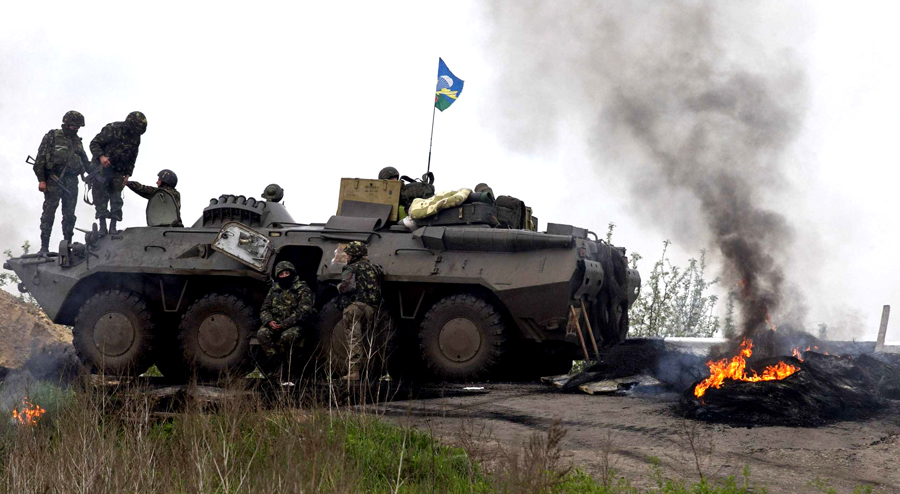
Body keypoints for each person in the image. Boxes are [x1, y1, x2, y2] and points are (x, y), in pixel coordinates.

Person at [33, 111, 90, 254]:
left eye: (78, 127)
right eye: (73, 126)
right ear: (66, 124)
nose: (75, 129)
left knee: (69, 215)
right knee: (48, 213)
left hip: (72, 181)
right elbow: (40, 159)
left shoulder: (77, 142)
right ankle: (44, 246)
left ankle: (67, 245)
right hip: (54, 179)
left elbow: (85, 162)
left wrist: (97, 172)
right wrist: (41, 180)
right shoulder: (52, 136)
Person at [89, 111, 147, 235]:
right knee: (101, 198)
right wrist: (102, 157)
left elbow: (133, 155)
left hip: (118, 172)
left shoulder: (135, 137)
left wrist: (128, 174)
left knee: (116, 199)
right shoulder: (113, 129)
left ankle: (113, 227)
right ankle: (102, 227)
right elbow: (94, 143)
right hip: (102, 170)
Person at [336, 241, 384, 378]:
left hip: (355, 307)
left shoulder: (351, 268)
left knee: (354, 339)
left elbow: (347, 286)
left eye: (349, 254)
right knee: (368, 339)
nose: (347, 257)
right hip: (371, 308)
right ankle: (371, 371)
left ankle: (354, 372)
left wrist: (338, 287)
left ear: (354, 255)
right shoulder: (374, 268)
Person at [258, 261, 316, 358]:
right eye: (281, 274)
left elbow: (304, 311)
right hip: (276, 324)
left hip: (295, 325)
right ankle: (274, 360)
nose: (284, 276)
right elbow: (264, 309)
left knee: (287, 336)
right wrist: (269, 321)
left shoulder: (302, 288)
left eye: (287, 273)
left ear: (292, 273)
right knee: (262, 333)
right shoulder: (274, 289)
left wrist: (284, 324)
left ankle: (289, 362)